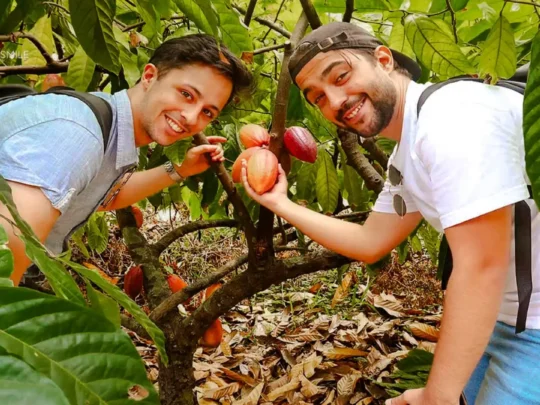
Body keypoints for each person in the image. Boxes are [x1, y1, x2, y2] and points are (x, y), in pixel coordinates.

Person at [241, 22, 540, 405]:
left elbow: (481, 265)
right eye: (317, 97)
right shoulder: (409, 146)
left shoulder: (452, 120)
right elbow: (370, 242)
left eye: (341, 76)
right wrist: (280, 203)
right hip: (503, 317)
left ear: (383, 59)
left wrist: (437, 396)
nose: (334, 101)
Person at [0, 33, 252, 286]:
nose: (191, 116)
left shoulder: (108, 126)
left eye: (207, 111)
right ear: (150, 76)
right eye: (186, 94)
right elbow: (7, 248)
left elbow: (101, 196)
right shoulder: (78, 133)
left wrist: (180, 169)